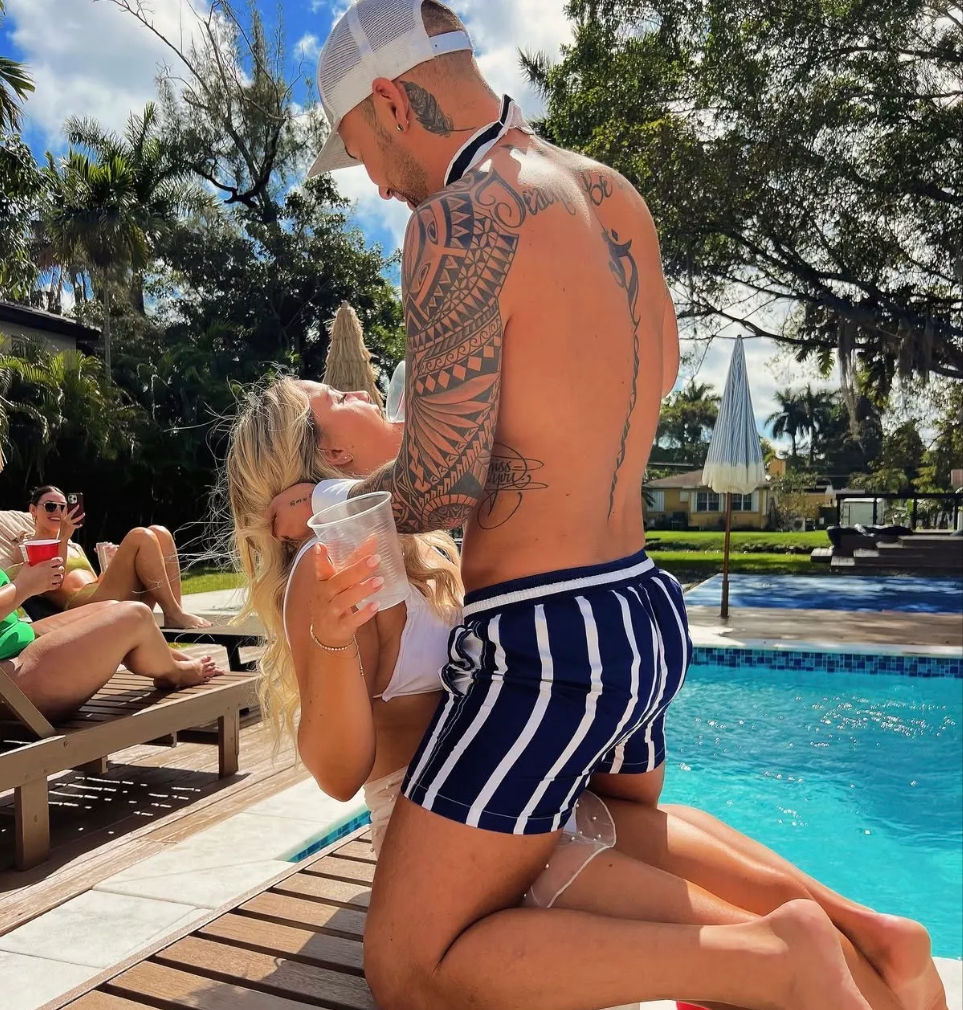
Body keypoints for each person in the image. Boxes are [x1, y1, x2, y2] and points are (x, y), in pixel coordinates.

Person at [298, 2, 898, 1008]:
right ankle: (875, 940)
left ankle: (781, 963)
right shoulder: (609, 193)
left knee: (411, 963)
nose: (372, 179)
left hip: (543, 633)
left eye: (358, 146)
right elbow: (644, 381)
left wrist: (328, 511)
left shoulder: (455, 219)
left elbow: (438, 490)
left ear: (395, 101)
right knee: (609, 842)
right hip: (639, 603)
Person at [230, 377, 943, 1010]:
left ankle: (816, 958)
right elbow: (336, 769)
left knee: (769, 951)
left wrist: (347, 496)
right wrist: (323, 631)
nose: (364, 390)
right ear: (330, 457)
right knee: (788, 936)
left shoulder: (422, 552)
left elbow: (464, 457)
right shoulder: (337, 567)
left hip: (479, 829)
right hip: (529, 815)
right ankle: (880, 953)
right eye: (338, 400)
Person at [1, 556, 220, 722]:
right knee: (135, 616)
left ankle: (165, 660)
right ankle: (176, 672)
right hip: (10, 686)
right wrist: (23, 586)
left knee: (112, 609)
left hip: (14, 645)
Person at [22, 486, 210, 630]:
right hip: (83, 608)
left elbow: (98, 581)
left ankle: (175, 611)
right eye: (50, 506)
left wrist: (112, 563)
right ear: (33, 510)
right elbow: (49, 583)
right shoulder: (26, 548)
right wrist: (63, 538)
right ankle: (174, 613)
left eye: (63, 508)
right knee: (140, 535)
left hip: (102, 593)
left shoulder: (74, 546)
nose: (57, 512)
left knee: (159, 533)